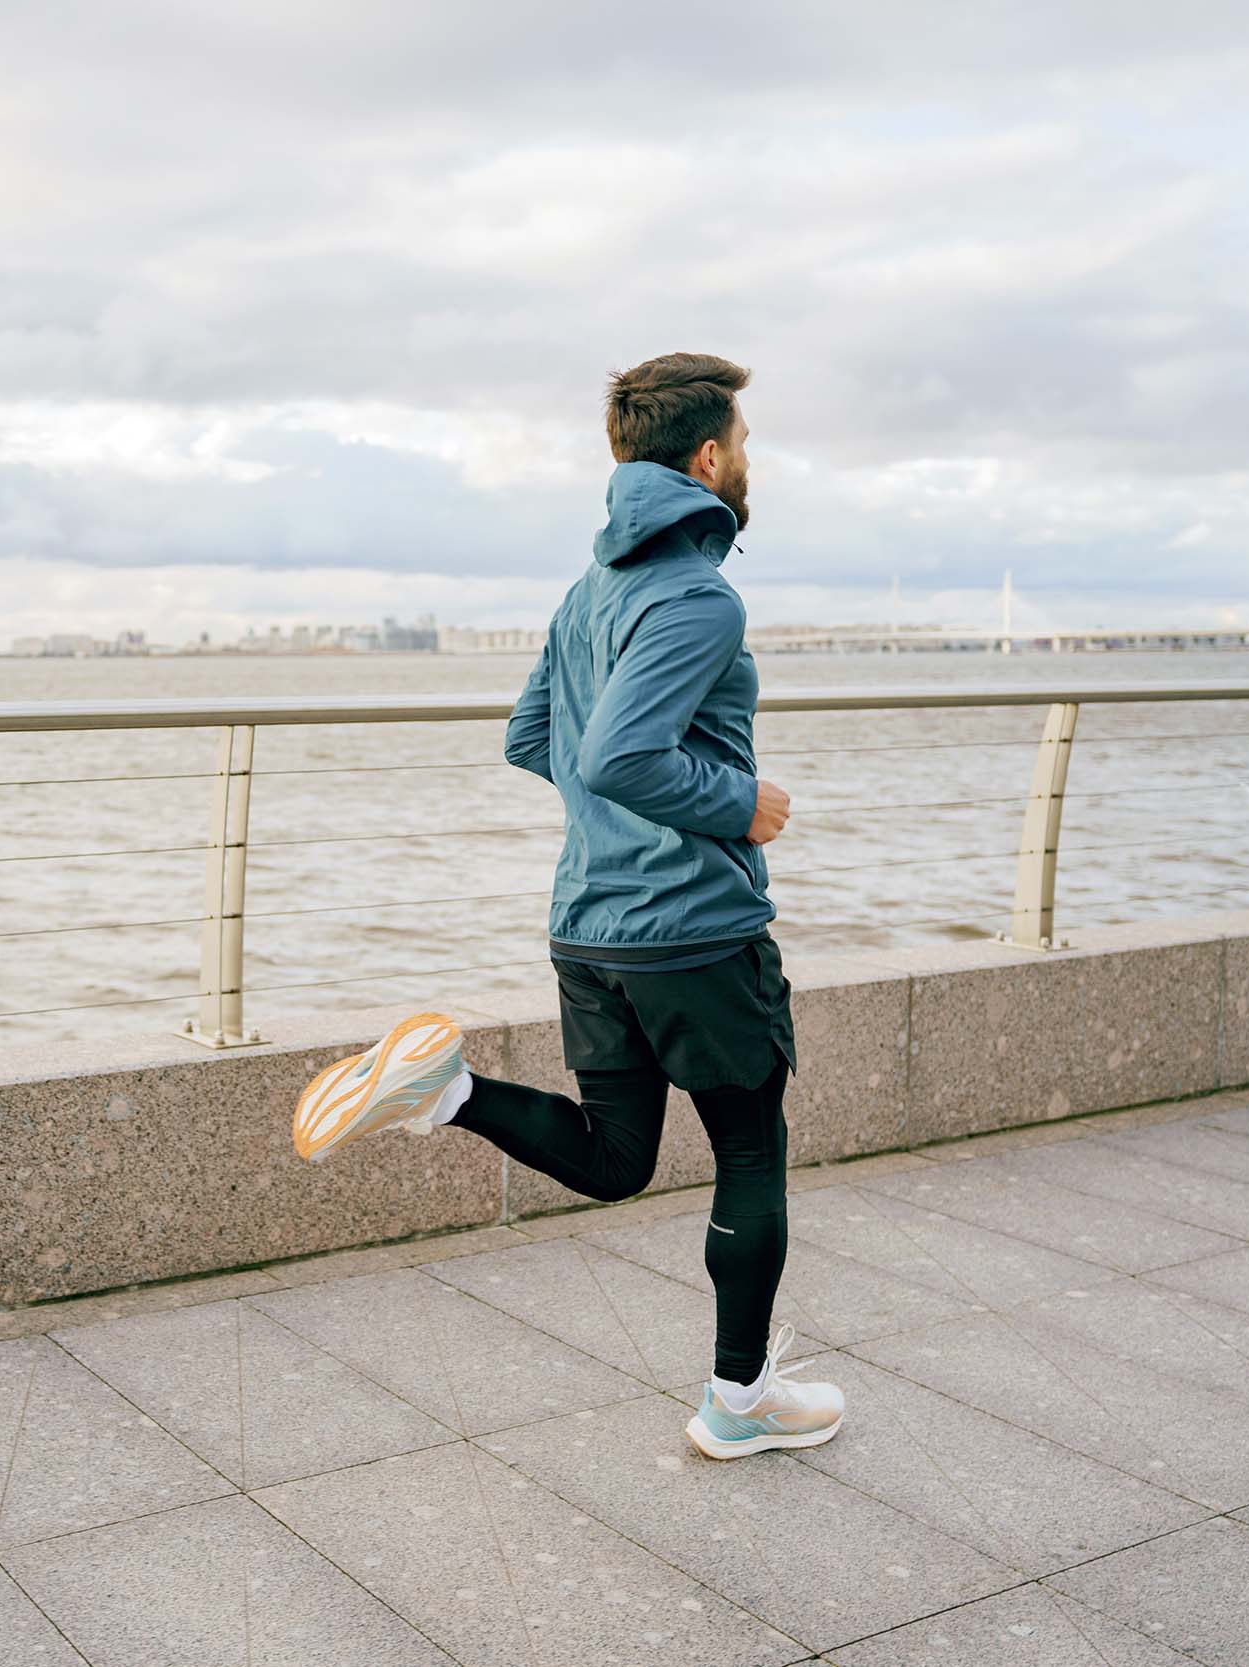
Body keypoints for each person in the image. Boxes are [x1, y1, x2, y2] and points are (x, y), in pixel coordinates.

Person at [291, 351, 843, 1461]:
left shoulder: (586, 591)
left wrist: (618, 815)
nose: (748, 461)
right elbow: (620, 752)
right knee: (749, 1150)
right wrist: (740, 803)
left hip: (590, 928)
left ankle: (445, 1090)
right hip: (692, 930)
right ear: (705, 457)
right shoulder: (697, 596)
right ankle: (737, 1402)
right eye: (742, 443)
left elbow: (533, 740)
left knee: (614, 1156)